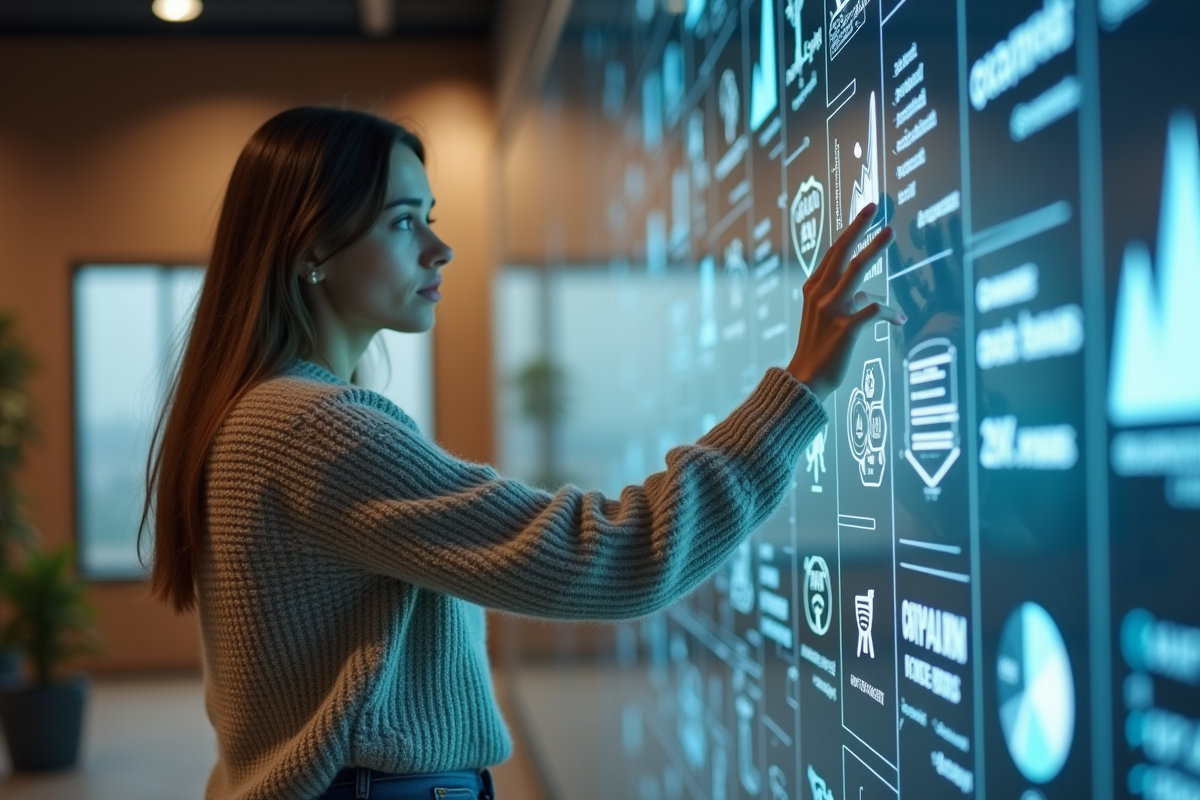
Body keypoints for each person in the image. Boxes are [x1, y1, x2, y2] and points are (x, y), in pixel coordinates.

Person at [141, 106, 904, 800]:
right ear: (313, 245)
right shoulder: (314, 429)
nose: (440, 248)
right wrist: (800, 389)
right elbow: (615, 553)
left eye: (430, 217)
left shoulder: (257, 413)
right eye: (404, 222)